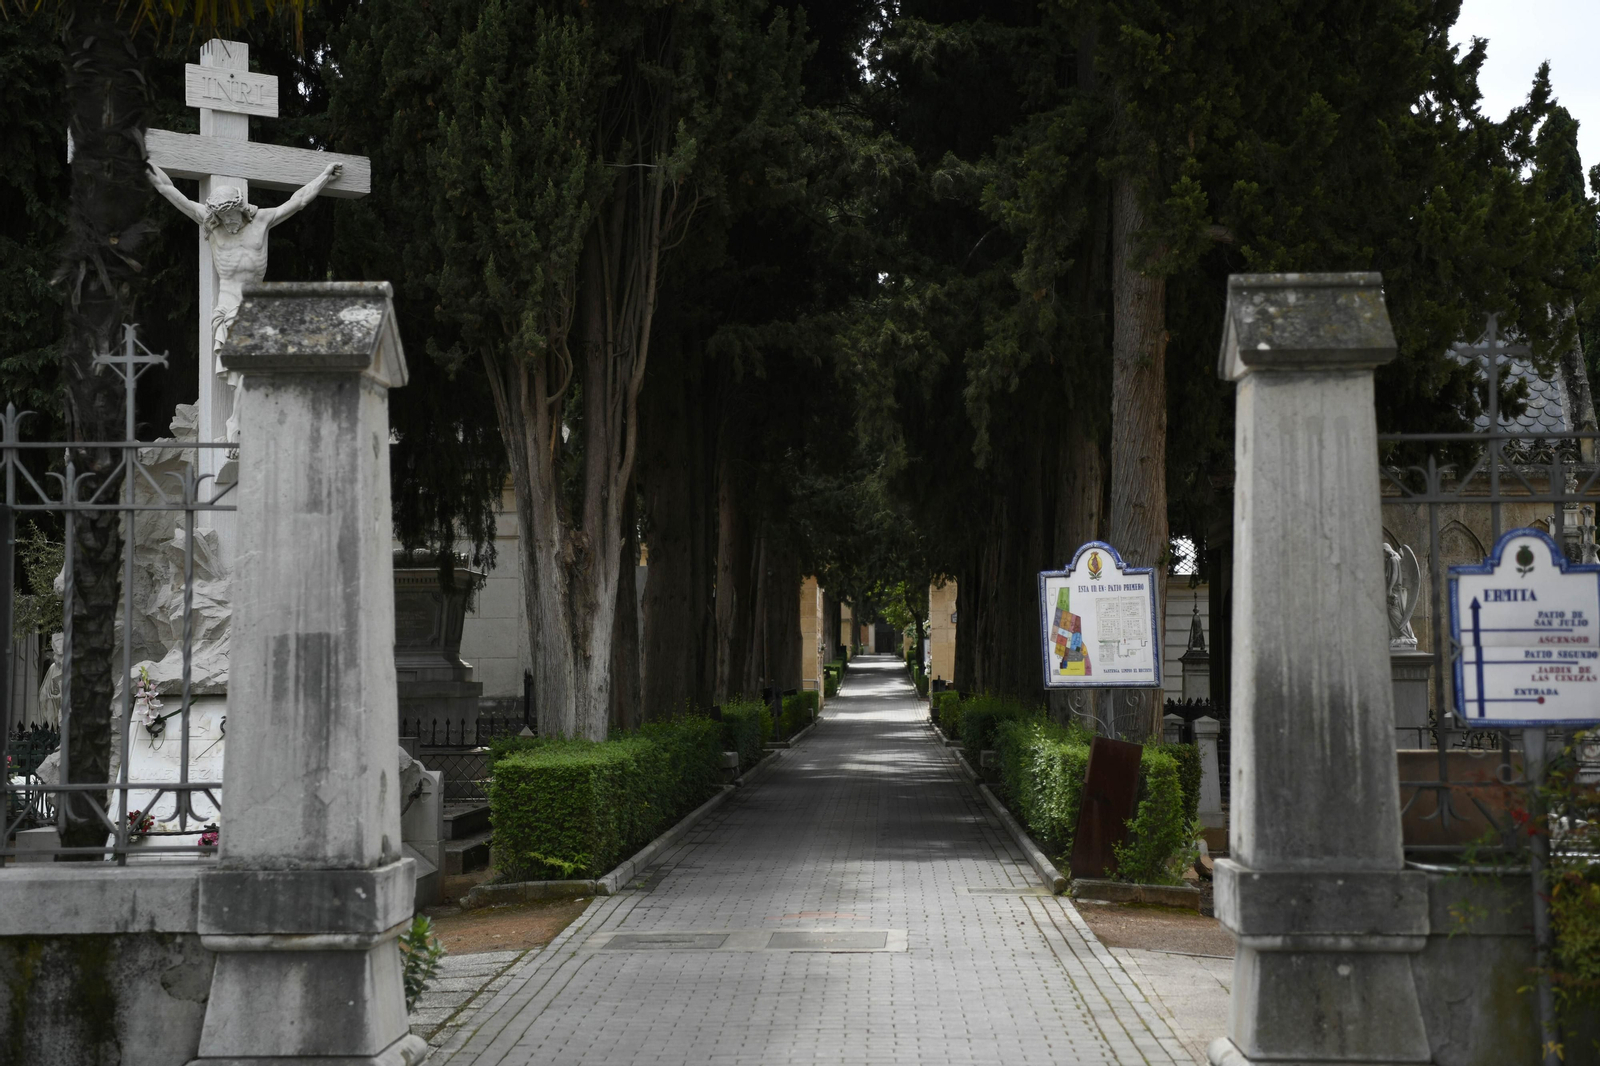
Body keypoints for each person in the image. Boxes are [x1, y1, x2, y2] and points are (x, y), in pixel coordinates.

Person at [146, 160, 344, 441]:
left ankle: (241, 422)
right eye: (223, 219)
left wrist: (324, 177)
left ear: (241, 208)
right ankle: (236, 424)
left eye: (232, 217)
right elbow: (169, 190)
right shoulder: (211, 225)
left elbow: (298, 200)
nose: (229, 223)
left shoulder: (262, 220)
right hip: (229, 307)